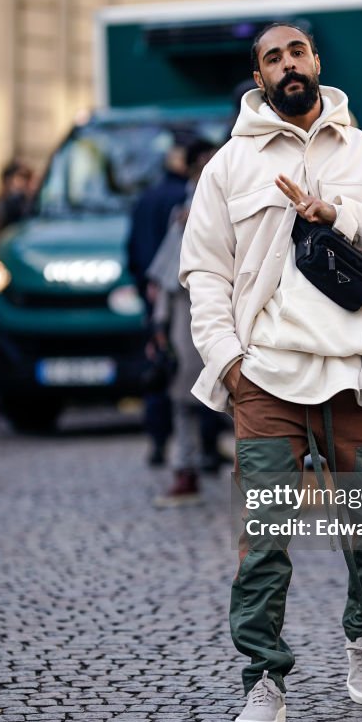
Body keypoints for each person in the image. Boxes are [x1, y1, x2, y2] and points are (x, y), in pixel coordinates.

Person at [180, 22, 362, 722]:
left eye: (297, 52)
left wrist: (341, 215)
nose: (287, 65)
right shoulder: (229, 166)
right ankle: (263, 677)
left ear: (316, 62)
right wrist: (227, 360)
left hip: (359, 375)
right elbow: (204, 269)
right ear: (258, 76)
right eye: (272, 58)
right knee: (263, 537)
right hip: (264, 379)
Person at [145, 139, 219, 506]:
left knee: (249, 401)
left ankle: (271, 481)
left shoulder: (231, 203)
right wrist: (159, 328)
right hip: (186, 317)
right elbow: (164, 278)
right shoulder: (183, 212)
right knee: (184, 400)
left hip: (229, 314)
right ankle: (185, 471)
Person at [127, 133, 194, 466]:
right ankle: (202, 455)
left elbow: (134, 253)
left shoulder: (146, 198)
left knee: (165, 376)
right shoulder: (185, 201)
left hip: (162, 301)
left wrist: (147, 292)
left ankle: (160, 447)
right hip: (187, 303)